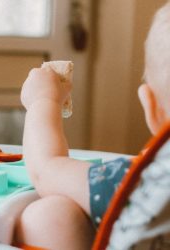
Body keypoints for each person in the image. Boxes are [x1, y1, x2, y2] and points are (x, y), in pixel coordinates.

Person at [15, 2, 170, 250]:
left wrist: (43, 101)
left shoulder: (146, 184)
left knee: (48, 217)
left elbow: (45, 170)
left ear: (154, 111)